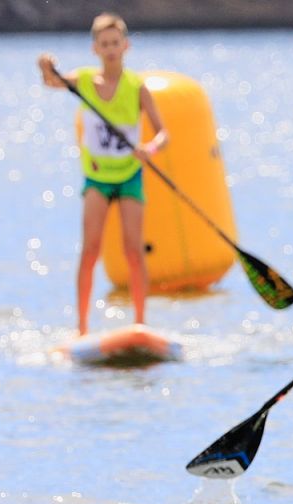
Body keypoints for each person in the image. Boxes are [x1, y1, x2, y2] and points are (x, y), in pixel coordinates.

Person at [38, 13, 167, 336]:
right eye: (104, 44)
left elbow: (164, 133)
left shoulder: (137, 87)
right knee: (91, 249)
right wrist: (45, 66)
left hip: (129, 176)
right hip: (97, 178)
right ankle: (81, 327)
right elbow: (52, 82)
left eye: (115, 43)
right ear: (95, 48)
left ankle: (140, 323)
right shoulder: (83, 81)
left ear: (126, 46)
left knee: (133, 251)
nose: (111, 49)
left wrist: (148, 149)